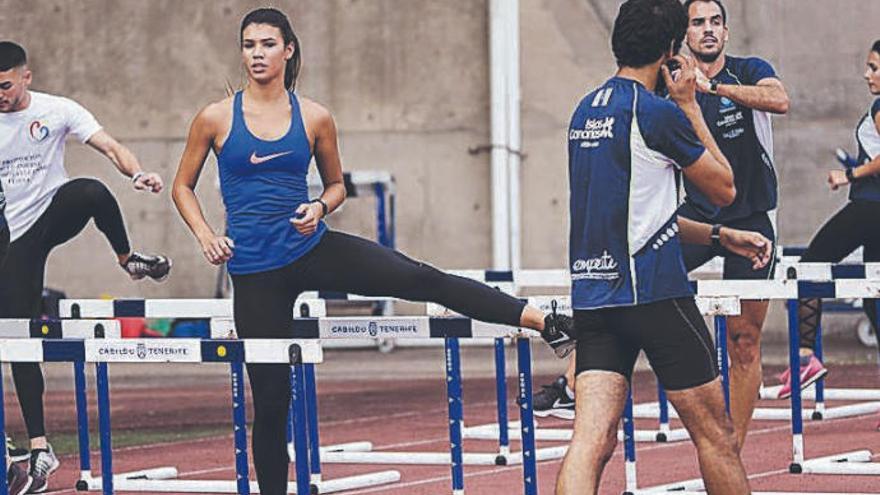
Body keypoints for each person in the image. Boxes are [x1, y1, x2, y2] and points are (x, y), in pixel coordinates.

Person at [171, 8, 576, 493]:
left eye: (267, 44)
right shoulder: (215, 117)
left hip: (311, 246)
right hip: (255, 272)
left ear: (288, 50)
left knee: (419, 277)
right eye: (249, 45)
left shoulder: (314, 116)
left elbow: (337, 184)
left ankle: (545, 321)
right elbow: (182, 187)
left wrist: (319, 207)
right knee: (274, 404)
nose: (256, 54)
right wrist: (206, 236)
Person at [555, 0, 768, 492]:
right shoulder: (656, 113)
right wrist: (690, 104)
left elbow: (631, 209)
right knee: (716, 433)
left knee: (591, 439)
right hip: (654, 294)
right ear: (672, 49)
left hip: (594, 297)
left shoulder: (585, 109)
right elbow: (724, 188)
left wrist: (718, 236)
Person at [0, 41, 171, 493]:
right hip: (12, 240)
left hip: (52, 212)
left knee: (91, 191)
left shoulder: (58, 110)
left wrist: (136, 174)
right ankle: (39, 448)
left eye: (4, 86)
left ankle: (127, 259)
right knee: (17, 340)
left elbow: (110, 146)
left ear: (26, 77)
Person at [672, 0, 793, 448]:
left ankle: (732, 449)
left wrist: (716, 87)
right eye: (698, 23)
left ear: (726, 31)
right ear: (685, 34)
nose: (707, 30)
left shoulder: (748, 69)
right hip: (698, 216)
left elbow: (780, 99)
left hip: (754, 216)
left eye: (715, 22)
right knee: (637, 274)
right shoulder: (673, 83)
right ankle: (575, 379)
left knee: (743, 339)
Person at [789, 41, 880, 424]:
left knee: (810, 268)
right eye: (867, 66)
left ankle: (806, 357)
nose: (866, 74)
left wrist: (850, 175)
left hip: (869, 209)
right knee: (874, 299)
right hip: (871, 209)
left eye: (874, 67)